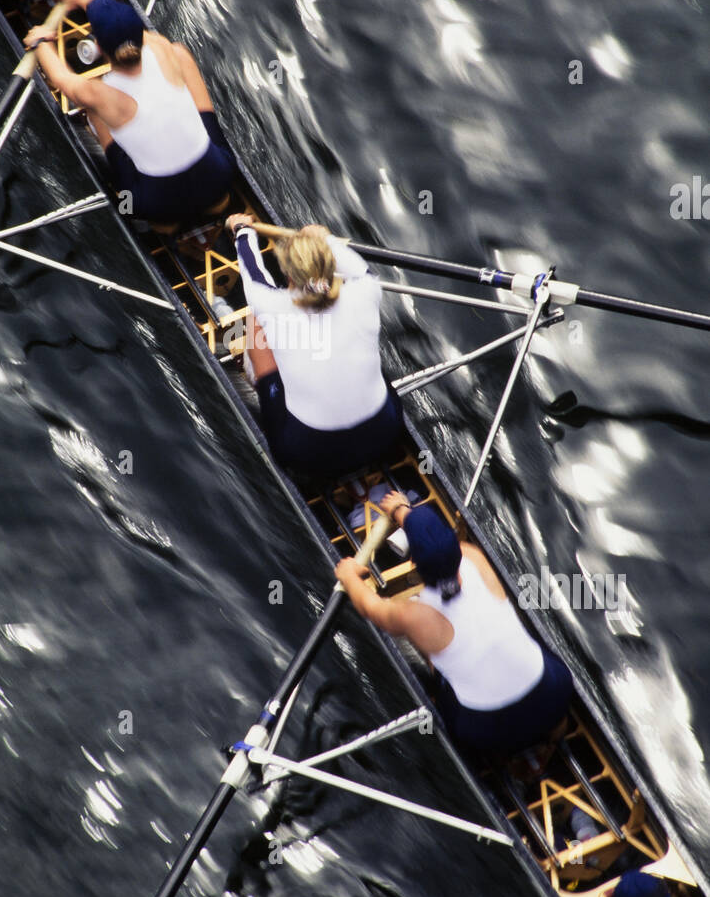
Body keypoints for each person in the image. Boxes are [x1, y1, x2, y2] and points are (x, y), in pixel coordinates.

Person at [335, 493, 574, 755]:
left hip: (489, 732)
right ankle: (554, 733)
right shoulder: (474, 557)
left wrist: (349, 577)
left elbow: (369, 607)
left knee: (431, 664)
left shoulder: (416, 616)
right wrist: (402, 508)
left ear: (414, 563)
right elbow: (438, 545)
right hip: (556, 695)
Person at [24, 0, 235, 225]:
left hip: (156, 204)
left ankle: (163, 224)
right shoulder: (161, 47)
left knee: (93, 109)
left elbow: (60, 78)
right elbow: (126, 28)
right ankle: (217, 203)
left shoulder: (98, 94)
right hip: (219, 177)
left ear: (98, 47)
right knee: (182, 54)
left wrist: (40, 43)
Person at [225, 214, 405, 477]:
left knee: (255, 321)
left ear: (287, 272)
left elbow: (251, 266)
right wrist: (325, 238)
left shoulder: (269, 304)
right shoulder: (367, 289)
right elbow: (354, 264)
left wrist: (240, 228)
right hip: (386, 431)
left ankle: (257, 380)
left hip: (308, 453)